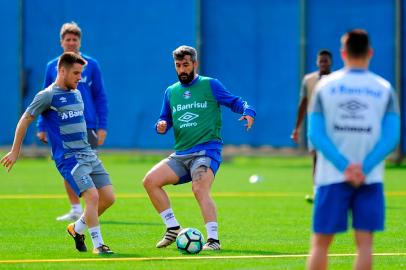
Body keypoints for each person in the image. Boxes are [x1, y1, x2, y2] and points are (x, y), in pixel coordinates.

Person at [143, 45, 256, 251]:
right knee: (150, 181)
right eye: (178, 66)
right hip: (181, 154)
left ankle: (213, 240)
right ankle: (173, 228)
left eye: (186, 65)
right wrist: (161, 126)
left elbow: (234, 102)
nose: (182, 70)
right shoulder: (171, 91)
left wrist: (248, 111)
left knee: (199, 188)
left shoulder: (210, 84)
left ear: (195, 64)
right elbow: (164, 119)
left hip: (206, 151)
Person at [1, 52, 115, 255]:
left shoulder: (77, 92)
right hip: (69, 158)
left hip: (88, 153)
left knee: (108, 197)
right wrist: (15, 151)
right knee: (93, 196)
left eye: (81, 73)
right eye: (76, 73)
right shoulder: (47, 95)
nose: (80, 78)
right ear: (62, 71)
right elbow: (24, 120)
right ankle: (99, 245)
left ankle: (77, 228)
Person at [307, 29, 400, 270]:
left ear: (342, 53)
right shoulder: (384, 88)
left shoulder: (325, 86)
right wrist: (363, 168)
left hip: (330, 177)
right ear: (370, 52)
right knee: (365, 244)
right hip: (369, 178)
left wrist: (344, 167)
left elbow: (314, 134)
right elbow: (392, 137)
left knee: (320, 244)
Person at [37, 22, 109, 222]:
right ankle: (76, 208)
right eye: (67, 39)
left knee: (88, 168)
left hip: (88, 125)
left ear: (79, 42)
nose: (71, 42)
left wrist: (102, 125)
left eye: (74, 39)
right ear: (61, 42)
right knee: (70, 167)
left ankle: (90, 208)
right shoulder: (52, 66)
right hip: (60, 126)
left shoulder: (91, 65)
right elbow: (44, 98)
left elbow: (100, 96)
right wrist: (41, 126)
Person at [291, 49, 332, 203]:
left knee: (331, 158)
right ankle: (317, 193)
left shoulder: (336, 80)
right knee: (315, 157)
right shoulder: (309, 80)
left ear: (330, 62)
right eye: (320, 60)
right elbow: (303, 104)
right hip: (315, 124)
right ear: (317, 62)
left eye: (325, 60)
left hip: (333, 125)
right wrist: (297, 128)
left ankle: (333, 192)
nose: (323, 63)